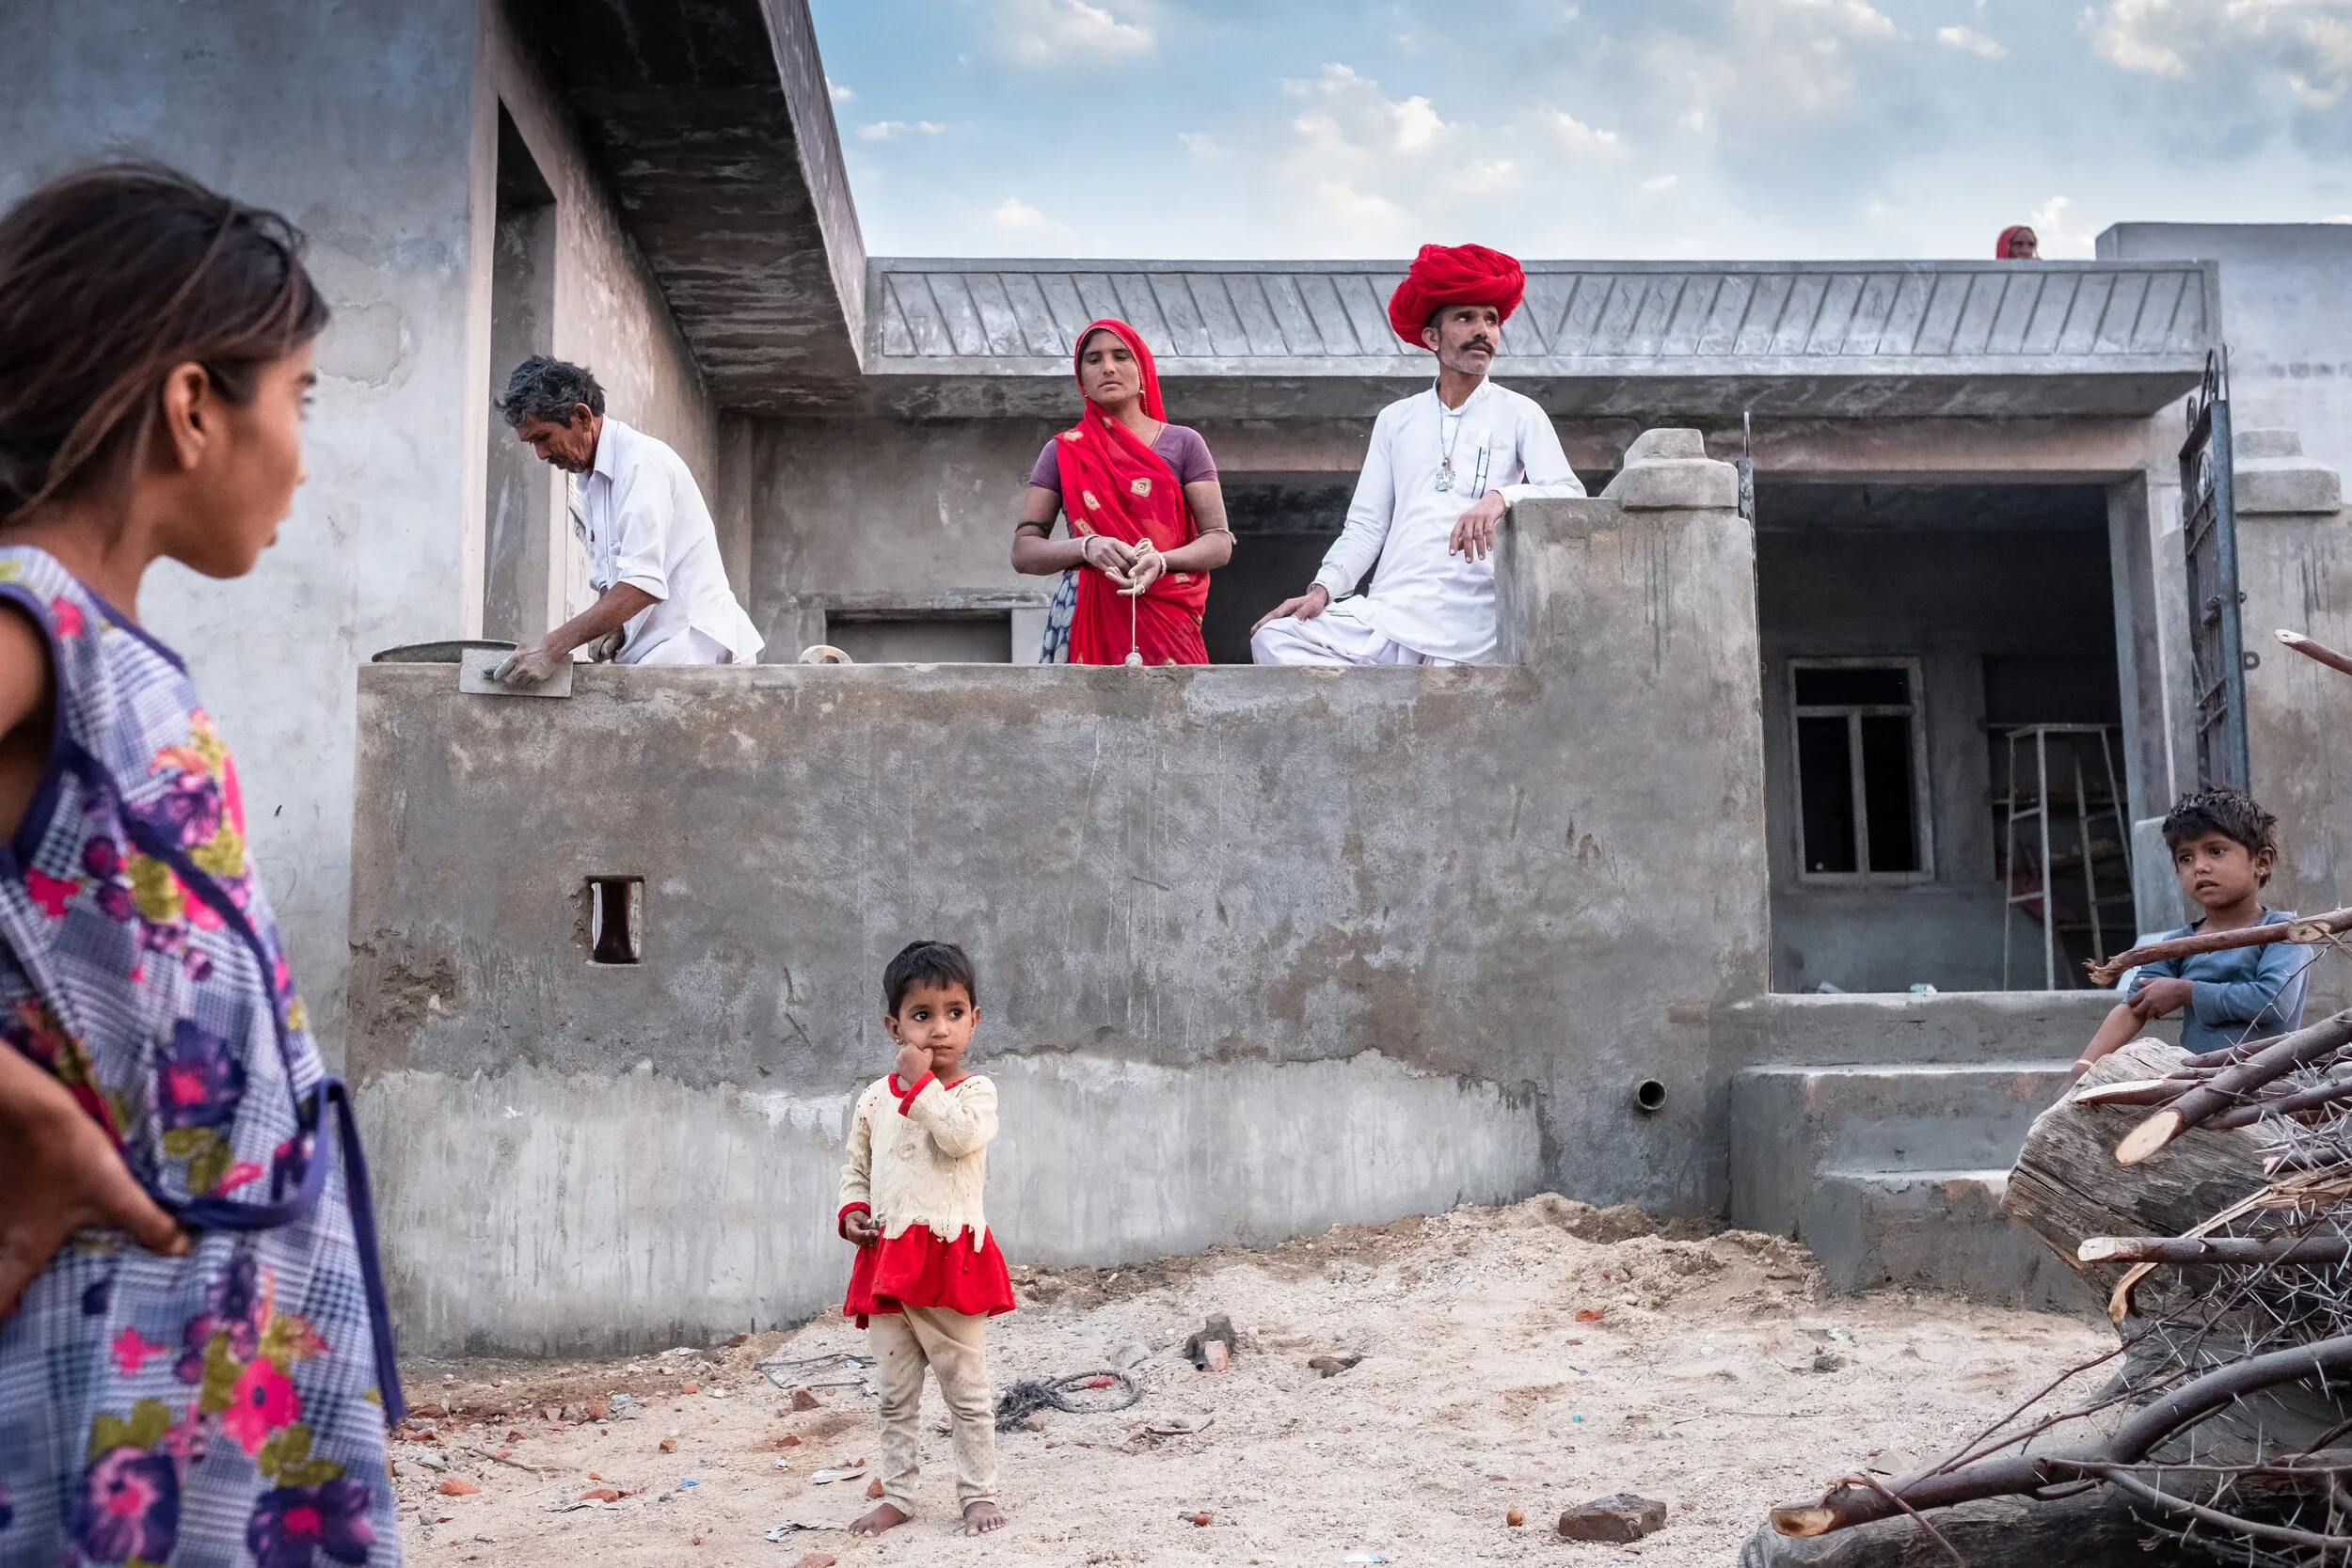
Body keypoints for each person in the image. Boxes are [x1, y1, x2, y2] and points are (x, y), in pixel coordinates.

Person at [0, 164, 400, 1563]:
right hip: (100, 1351)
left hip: (202, 1367)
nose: (301, 451)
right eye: (298, 399)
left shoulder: (113, 652)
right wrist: (32, 1121)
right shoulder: (30, 620)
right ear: (190, 408)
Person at [1251, 243, 1583, 667]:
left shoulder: (1520, 413)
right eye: (1465, 318)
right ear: (1431, 337)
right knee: (1275, 639)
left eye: (1491, 320)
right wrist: (1324, 589)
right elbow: (1367, 526)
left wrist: (1502, 497)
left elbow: (1567, 494)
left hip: (1473, 624)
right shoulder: (1396, 420)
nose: (1483, 330)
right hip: (1390, 613)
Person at [837, 941, 1015, 1539]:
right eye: (921, 1015)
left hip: (948, 1260)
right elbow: (856, 1167)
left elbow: (960, 1140)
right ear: (894, 1026)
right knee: (894, 1392)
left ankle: (978, 1493)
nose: (939, 1030)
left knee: (965, 1389)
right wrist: (852, 1211)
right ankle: (902, 1495)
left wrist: (920, 1089)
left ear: (974, 1019)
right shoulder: (872, 1099)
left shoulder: (975, 1094)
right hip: (888, 1259)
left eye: (954, 1012)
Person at [491, 355, 761, 682]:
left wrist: (552, 647)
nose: (541, 454)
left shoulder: (640, 464)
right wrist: (613, 623)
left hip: (693, 657)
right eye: (531, 443)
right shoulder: (589, 478)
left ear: (581, 417)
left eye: (543, 438)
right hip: (655, 661)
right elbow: (616, 575)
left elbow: (642, 585)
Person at [1010, 319, 1232, 664]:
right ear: (1081, 376)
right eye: (1094, 360)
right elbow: (1024, 553)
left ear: (1142, 368)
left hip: (1167, 615)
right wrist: (1087, 546)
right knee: (1082, 717)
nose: (1108, 368)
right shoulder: (1063, 451)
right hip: (1086, 612)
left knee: (1173, 715)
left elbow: (1219, 542)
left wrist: (1160, 561)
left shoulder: (1184, 444)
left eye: (1121, 356)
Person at [2068, 788, 2307, 1085]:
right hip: (2199, 1087)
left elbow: (2273, 1002)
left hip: (2268, 1088)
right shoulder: (2178, 943)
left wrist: (2188, 992)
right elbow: (2133, 1007)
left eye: (2215, 851)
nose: (2200, 866)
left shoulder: (2284, 931)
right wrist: (2083, 1067)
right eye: (2185, 858)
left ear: (2262, 862)